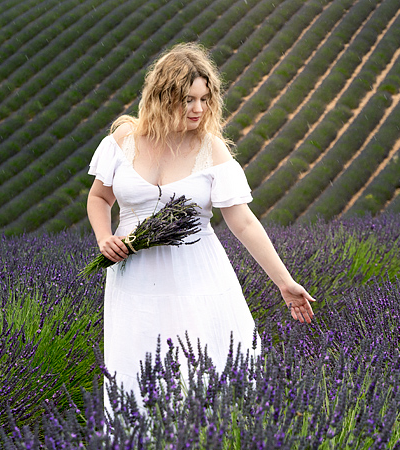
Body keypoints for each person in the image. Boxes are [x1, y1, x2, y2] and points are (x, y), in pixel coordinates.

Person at [86, 42, 315, 401]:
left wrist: (284, 282)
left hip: (195, 274)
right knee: (140, 373)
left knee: (202, 371)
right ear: (163, 96)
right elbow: (99, 197)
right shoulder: (124, 140)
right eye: (188, 99)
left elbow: (244, 222)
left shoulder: (211, 149)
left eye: (204, 99)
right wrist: (104, 238)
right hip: (134, 279)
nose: (198, 109)